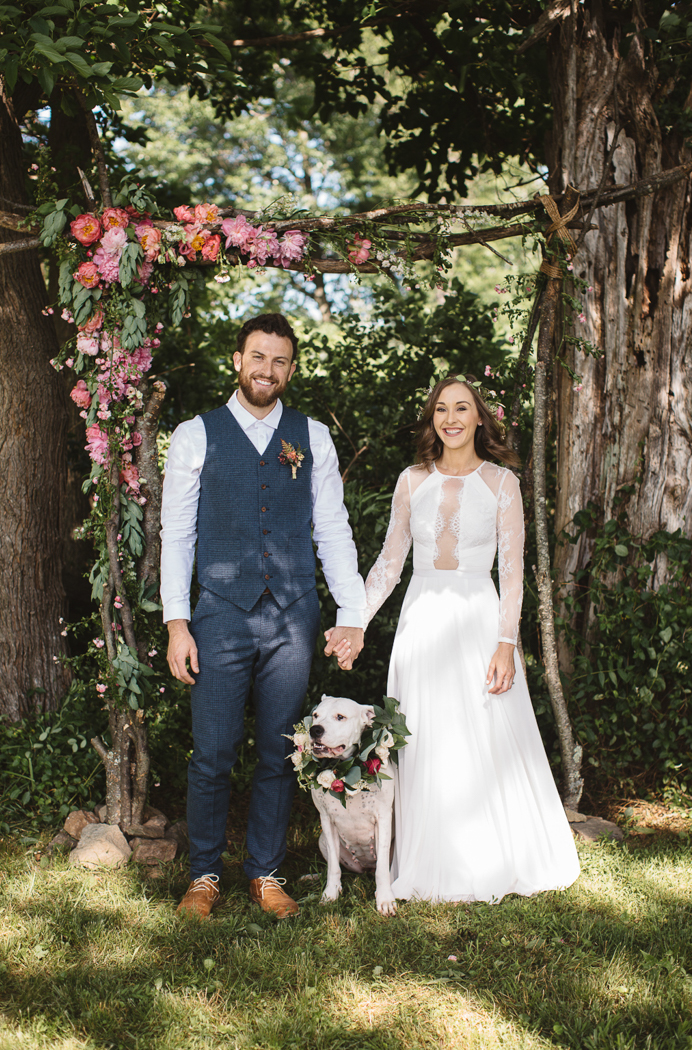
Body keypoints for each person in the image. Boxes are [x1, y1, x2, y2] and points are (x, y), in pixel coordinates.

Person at [161, 313, 365, 919]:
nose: (266, 370)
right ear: (237, 360)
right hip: (219, 615)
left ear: (291, 369)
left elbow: (331, 527)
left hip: (294, 614)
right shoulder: (196, 434)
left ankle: (266, 873)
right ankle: (202, 876)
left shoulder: (313, 437)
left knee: (282, 750)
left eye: (279, 361)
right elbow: (178, 532)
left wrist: (351, 610)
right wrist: (177, 621)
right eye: (258, 357)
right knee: (213, 751)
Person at [356, 374, 580, 903]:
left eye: (462, 408)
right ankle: (424, 854)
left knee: (482, 730)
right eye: (441, 409)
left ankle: (489, 854)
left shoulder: (502, 483)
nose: (451, 418)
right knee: (425, 732)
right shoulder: (411, 480)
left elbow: (512, 573)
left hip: (481, 620)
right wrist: (355, 622)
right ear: (432, 419)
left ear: (480, 417)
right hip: (422, 618)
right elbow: (390, 563)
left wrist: (507, 642)